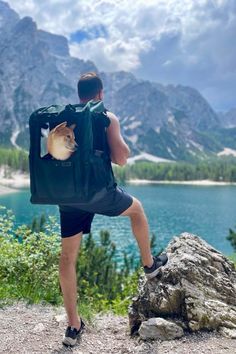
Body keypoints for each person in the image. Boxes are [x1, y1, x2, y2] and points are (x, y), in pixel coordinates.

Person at [58, 72, 168, 347]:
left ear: (79, 93)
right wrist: (126, 148)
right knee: (137, 210)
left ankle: (73, 327)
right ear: (101, 94)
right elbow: (120, 158)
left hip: (69, 195)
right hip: (98, 193)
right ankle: (149, 264)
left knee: (68, 257)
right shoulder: (106, 116)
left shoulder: (64, 118)